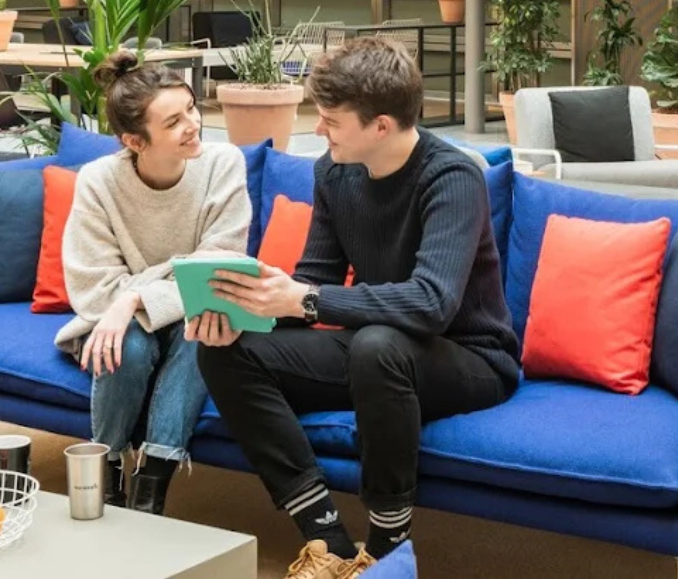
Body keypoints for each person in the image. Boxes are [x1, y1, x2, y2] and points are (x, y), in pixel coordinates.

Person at [192, 38, 518, 579]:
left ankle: (389, 550)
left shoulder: (452, 177)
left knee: (377, 344)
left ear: (382, 126)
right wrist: (255, 308)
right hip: (379, 354)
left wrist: (310, 298)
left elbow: (433, 304)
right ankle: (328, 540)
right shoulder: (334, 174)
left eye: (330, 121)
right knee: (227, 354)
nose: (318, 130)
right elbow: (314, 281)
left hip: (470, 359)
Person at [54, 54, 252, 513]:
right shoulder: (99, 181)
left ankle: (150, 492)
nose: (193, 124)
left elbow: (220, 269)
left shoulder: (223, 164)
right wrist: (139, 297)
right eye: (173, 121)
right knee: (127, 345)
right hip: (121, 321)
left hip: (195, 311)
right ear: (133, 140)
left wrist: (136, 295)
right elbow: (92, 288)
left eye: (190, 109)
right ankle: (104, 476)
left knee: (201, 334)